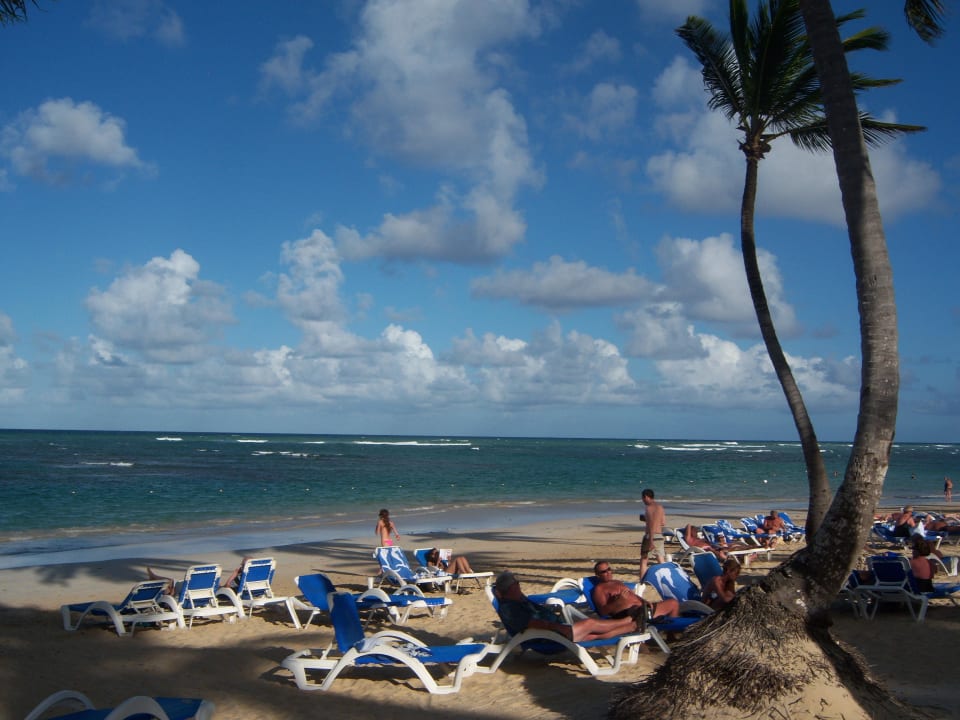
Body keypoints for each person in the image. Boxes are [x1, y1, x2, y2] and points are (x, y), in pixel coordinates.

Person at [493, 571, 642, 641]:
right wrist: (559, 627)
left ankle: (633, 625)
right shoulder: (510, 607)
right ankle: (628, 622)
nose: (519, 586)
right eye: (516, 584)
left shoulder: (518, 600)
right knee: (590, 624)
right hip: (551, 634)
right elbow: (532, 623)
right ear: (511, 588)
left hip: (555, 629)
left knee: (594, 634)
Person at [590, 561, 680, 621]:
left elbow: (633, 596)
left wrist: (645, 602)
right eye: (604, 571)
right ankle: (645, 622)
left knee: (673, 603)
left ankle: (670, 635)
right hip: (628, 615)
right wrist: (618, 602)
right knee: (638, 611)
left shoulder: (617, 582)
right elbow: (602, 611)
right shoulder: (599, 589)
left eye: (609, 569)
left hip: (643, 608)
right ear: (598, 575)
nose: (608, 572)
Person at [639, 488, 666, 579]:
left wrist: (650, 540)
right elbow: (662, 523)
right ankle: (666, 578)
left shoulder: (649, 508)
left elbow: (651, 525)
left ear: (646, 497)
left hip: (651, 536)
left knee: (644, 559)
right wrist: (646, 519)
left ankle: (642, 579)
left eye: (643, 498)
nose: (642, 500)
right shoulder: (660, 507)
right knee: (660, 559)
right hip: (659, 535)